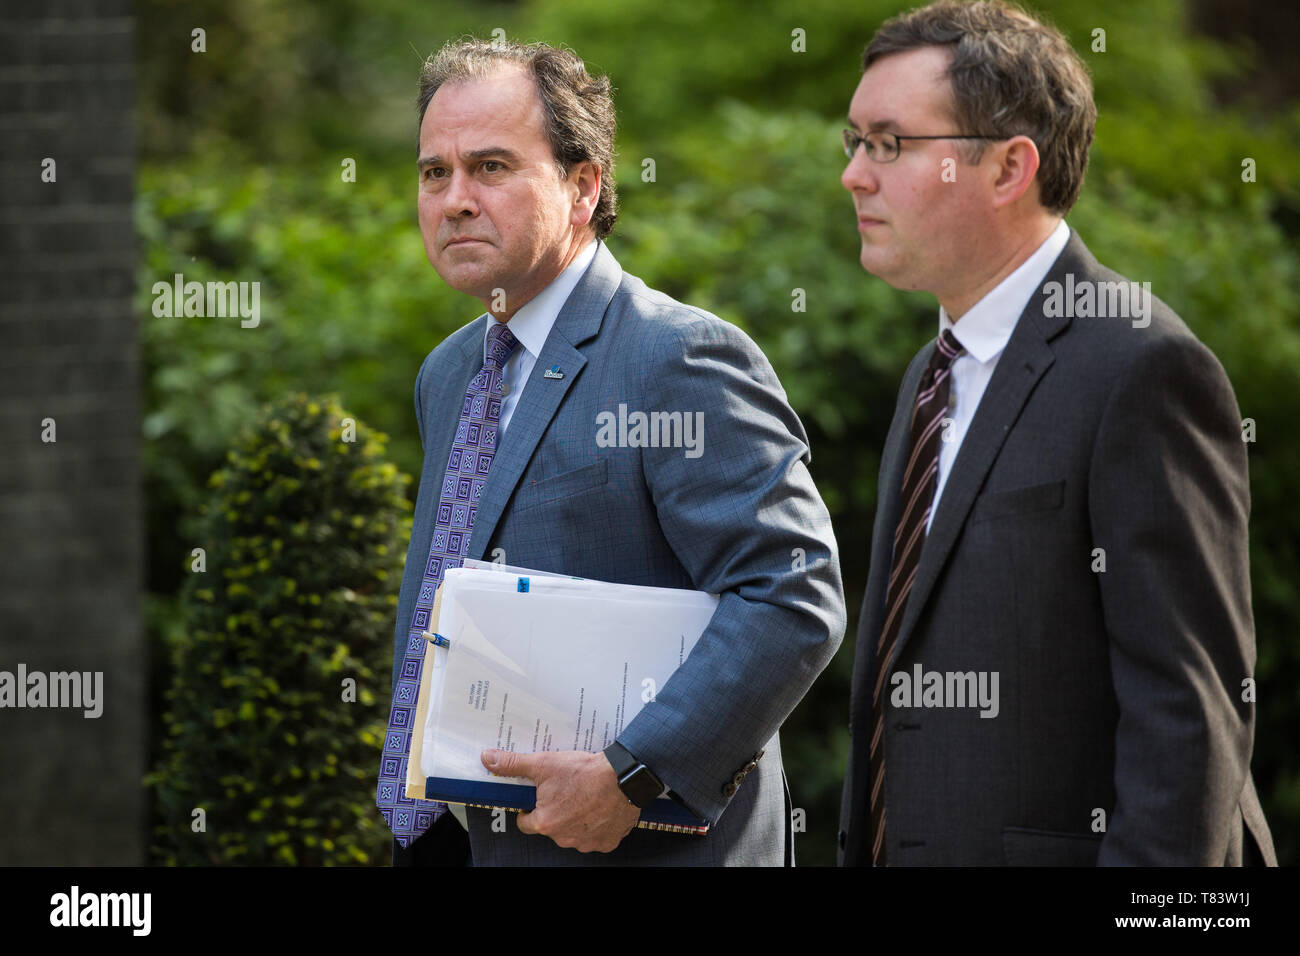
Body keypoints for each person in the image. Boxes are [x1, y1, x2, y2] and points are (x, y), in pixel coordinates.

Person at [376, 38, 845, 866]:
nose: (453, 200)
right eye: (432, 172)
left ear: (584, 185)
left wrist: (633, 775)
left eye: (490, 167)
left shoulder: (679, 358)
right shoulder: (447, 374)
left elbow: (792, 595)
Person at [836, 0, 1275, 866]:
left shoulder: (1143, 370)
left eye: (889, 143)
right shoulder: (929, 378)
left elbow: (1189, 715)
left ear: (1008, 168)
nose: (855, 174)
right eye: (851, 141)